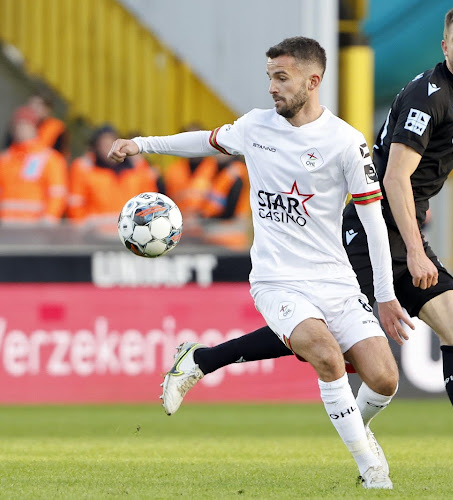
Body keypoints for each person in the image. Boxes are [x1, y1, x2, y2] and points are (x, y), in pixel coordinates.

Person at [160, 3, 453, 472]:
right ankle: (202, 360)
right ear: (444, 46)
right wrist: (417, 250)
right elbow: (395, 178)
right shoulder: (430, 96)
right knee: (320, 337)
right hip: (373, 234)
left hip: (401, 232)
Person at [108, 36, 414, 490]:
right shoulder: (256, 127)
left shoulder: (347, 143)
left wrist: (385, 296)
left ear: (314, 81)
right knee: (327, 358)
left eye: (281, 78)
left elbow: (373, 225)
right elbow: (204, 141)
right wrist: (141, 144)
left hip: (336, 280)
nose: (272, 87)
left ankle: (356, 429)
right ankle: (372, 469)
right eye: (269, 76)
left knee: (385, 379)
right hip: (277, 279)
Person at [68, 125, 158, 232]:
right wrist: (83, 230)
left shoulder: (138, 169)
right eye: (104, 144)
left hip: (132, 233)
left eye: (111, 143)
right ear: (95, 147)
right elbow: (76, 205)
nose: (108, 148)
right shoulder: (84, 169)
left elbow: (150, 202)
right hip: (95, 235)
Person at [0, 106, 67, 225]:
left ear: (35, 128)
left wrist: (49, 219)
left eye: (25, 125)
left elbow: (57, 193)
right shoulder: (5, 158)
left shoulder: (49, 158)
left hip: (35, 227)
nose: (20, 130)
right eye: (17, 126)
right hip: (6, 227)